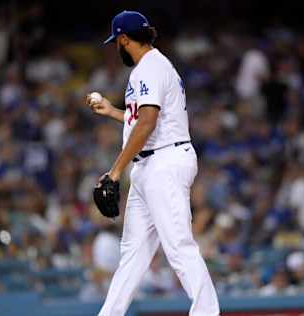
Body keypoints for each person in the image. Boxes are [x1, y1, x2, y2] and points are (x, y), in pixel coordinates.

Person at [86, 11, 220, 316]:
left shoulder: (149, 68)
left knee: (178, 245)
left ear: (123, 39)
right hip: (151, 163)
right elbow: (142, 119)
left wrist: (115, 171)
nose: (116, 48)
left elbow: (147, 123)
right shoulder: (153, 67)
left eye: (116, 42)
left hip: (165, 161)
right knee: (133, 252)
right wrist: (113, 112)